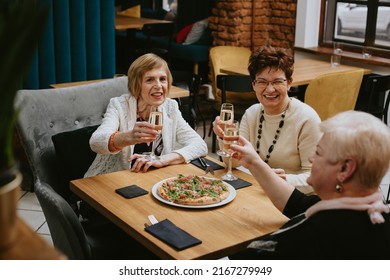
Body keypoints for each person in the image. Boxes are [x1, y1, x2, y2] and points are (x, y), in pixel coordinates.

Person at [229, 110, 390, 259]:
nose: (312, 158)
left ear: (345, 169)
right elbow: (298, 204)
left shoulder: (313, 237)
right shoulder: (370, 211)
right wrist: (254, 162)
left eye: (319, 152)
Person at [213, 45, 321, 187]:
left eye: (277, 81)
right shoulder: (252, 113)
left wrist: (284, 180)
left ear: (289, 83)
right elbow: (233, 163)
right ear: (253, 85)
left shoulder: (307, 119)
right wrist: (223, 137)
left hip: (292, 197)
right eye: (262, 82)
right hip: (257, 189)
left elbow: (317, 178)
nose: (270, 89)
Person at [85, 53, 207, 177]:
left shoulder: (170, 107)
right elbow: (96, 142)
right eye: (149, 80)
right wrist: (129, 137)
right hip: (115, 178)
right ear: (136, 84)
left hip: (153, 177)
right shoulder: (118, 105)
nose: (158, 86)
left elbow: (200, 145)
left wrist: (162, 160)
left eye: (163, 79)